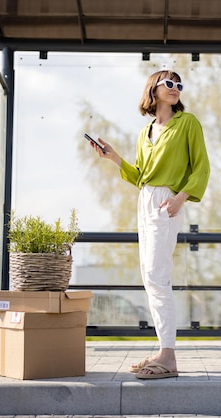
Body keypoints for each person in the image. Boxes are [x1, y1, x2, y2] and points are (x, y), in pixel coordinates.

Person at [89, 70, 210, 379]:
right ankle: (162, 349)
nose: (176, 88)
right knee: (150, 277)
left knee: (158, 276)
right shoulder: (145, 133)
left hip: (166, 201)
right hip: (145, 201)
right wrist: (115, 158)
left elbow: (202, 167)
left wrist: (180, 198)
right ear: (153, 89)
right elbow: (140, 176)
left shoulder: (188, 123)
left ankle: (168, 357)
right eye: (169, 83)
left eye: (179, 85)